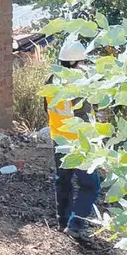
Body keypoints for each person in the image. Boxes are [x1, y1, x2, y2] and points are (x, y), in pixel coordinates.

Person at [45, 39, 101, 239]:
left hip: (58, 138)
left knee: (64, 180)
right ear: (78, 61)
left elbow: (47, 108)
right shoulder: (80, 82)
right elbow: (86, 115)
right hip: (78, 142)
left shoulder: (52, 79)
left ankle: (63, 221)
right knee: (91, 185)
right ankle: (76, 224)